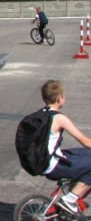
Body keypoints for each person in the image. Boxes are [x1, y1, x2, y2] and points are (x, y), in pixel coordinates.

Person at [41, 79, 91, 217]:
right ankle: (70, 199)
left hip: (44, 159)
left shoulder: (41, 114)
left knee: (85, 154)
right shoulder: (59, 118)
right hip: (53, 165)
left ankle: (73, 190)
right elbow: (85, 140)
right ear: (59, 98)